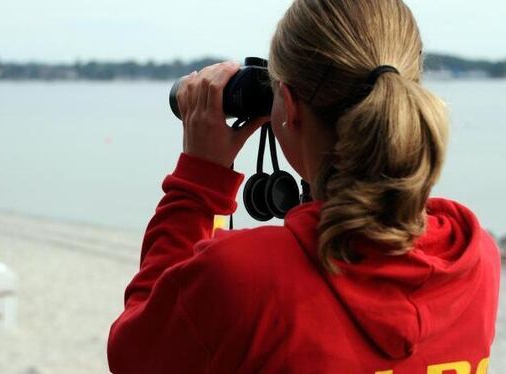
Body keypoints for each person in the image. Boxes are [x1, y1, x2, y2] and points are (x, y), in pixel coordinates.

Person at [107, 0, 501, 372]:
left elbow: (134, 355)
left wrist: (198, 182)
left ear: (289, 108)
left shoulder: (244, 278)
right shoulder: (473, 257)